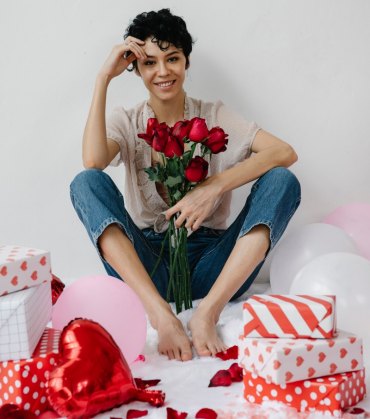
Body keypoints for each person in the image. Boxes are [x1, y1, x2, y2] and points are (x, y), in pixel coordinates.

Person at [70, 9, 301, 361]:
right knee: (86, 183)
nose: (163, 72)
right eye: (149, 63)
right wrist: (103, 77)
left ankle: (208, 312)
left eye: (173, 58)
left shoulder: (213, 115)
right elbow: (92, 161)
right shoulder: (127, 120)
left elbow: (284, 152)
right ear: (137, 70)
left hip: (217, 266)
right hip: (151, 267)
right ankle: (160, 313)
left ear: (186, 62)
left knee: (282, 181)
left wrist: (215, 186)